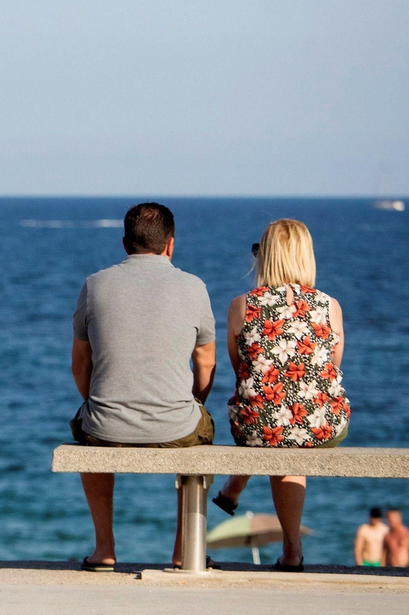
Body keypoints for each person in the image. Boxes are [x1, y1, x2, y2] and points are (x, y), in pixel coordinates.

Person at [70, 203, 217, 571]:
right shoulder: (194, 287)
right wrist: (194, 402)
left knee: (89, 427)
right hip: (177, 426)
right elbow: (206, 362)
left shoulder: (95, 284)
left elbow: (80, 363)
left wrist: (98, 401)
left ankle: (104, 549)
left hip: (105, 426)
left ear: (125, 244)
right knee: (203, 434)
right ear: (170, 244)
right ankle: (184, 550)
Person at [211, 220, 350, 572]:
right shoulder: (329, 306)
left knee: (273, 418)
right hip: (320, 425)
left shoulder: (241, 306)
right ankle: (292, 550)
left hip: (258, 426)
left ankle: (235, 487)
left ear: (265, 257)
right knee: (292, 424)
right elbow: (331, 369)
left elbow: (242, 371)